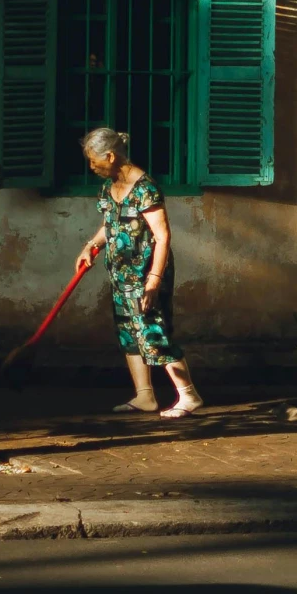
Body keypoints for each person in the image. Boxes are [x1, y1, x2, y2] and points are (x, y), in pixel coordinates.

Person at [74, 127, 205, 417]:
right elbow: (111, 224)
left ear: (110, 156)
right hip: (120, 274)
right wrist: (91, 246)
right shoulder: (109, 186)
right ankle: (145, 396)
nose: (91, 166)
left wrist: (154, 280)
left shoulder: (145, 188)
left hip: (146, 275)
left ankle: (189, 396)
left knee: (153, 331)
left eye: (93, 160)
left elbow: (163, 236)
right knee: (129, 333)